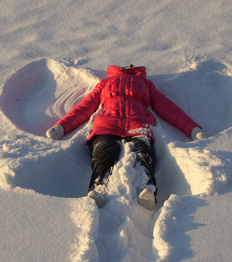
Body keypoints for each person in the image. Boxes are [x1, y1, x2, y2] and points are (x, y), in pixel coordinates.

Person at [46, 65, 205, 209]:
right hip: (107, 124)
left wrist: (192, 128)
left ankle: (146, 189)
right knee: (103, 152)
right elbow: (85, 107)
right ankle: (98, 189)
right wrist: (62, 126)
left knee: (143, 152)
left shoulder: (145, 83)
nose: (127, 66)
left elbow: (167, 107)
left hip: (138, 123)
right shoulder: (105, 83)